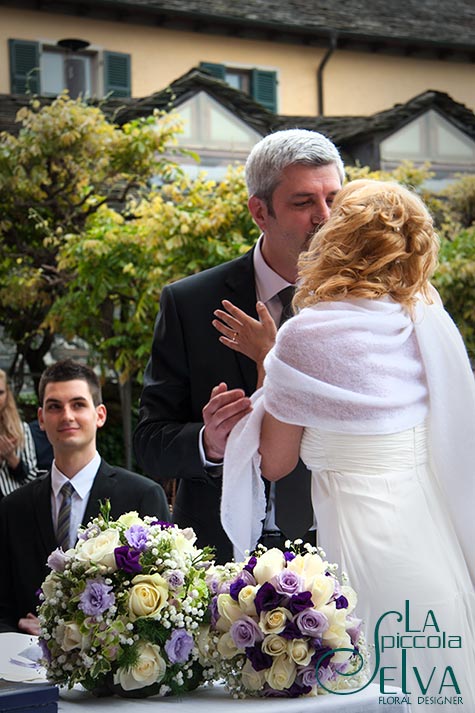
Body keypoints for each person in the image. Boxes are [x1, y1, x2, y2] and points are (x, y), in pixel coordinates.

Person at [222, 179, 475, 709]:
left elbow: (274, 462)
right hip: (430, 542)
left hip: (358, 549)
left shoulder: (306, 333)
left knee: (363, 693)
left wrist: (271, 367)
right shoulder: (422, 319)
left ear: (338, 239)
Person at [133, 129, 345, 563]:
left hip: (340, 540)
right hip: (220, 552)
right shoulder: (190, 303)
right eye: (304, 202)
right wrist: (209, 442)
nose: (324, 216)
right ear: (259, 212)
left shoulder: (363, 304)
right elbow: (150, 442)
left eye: (333, 200)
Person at [0, 359, 170, 635]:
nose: (67, 415)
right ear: (41, 419)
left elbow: (164, 603)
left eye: (78, 404)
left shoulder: (143, 497)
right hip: (23, 667)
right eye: (55, 406)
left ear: (99, 415)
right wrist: (16, 632)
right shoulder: (13, 508)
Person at [0, 368, 39, 499]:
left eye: (0, 393)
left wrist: (11, 458)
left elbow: (32, 479)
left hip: (11, 507)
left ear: (7, 395)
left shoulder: (21, 429)